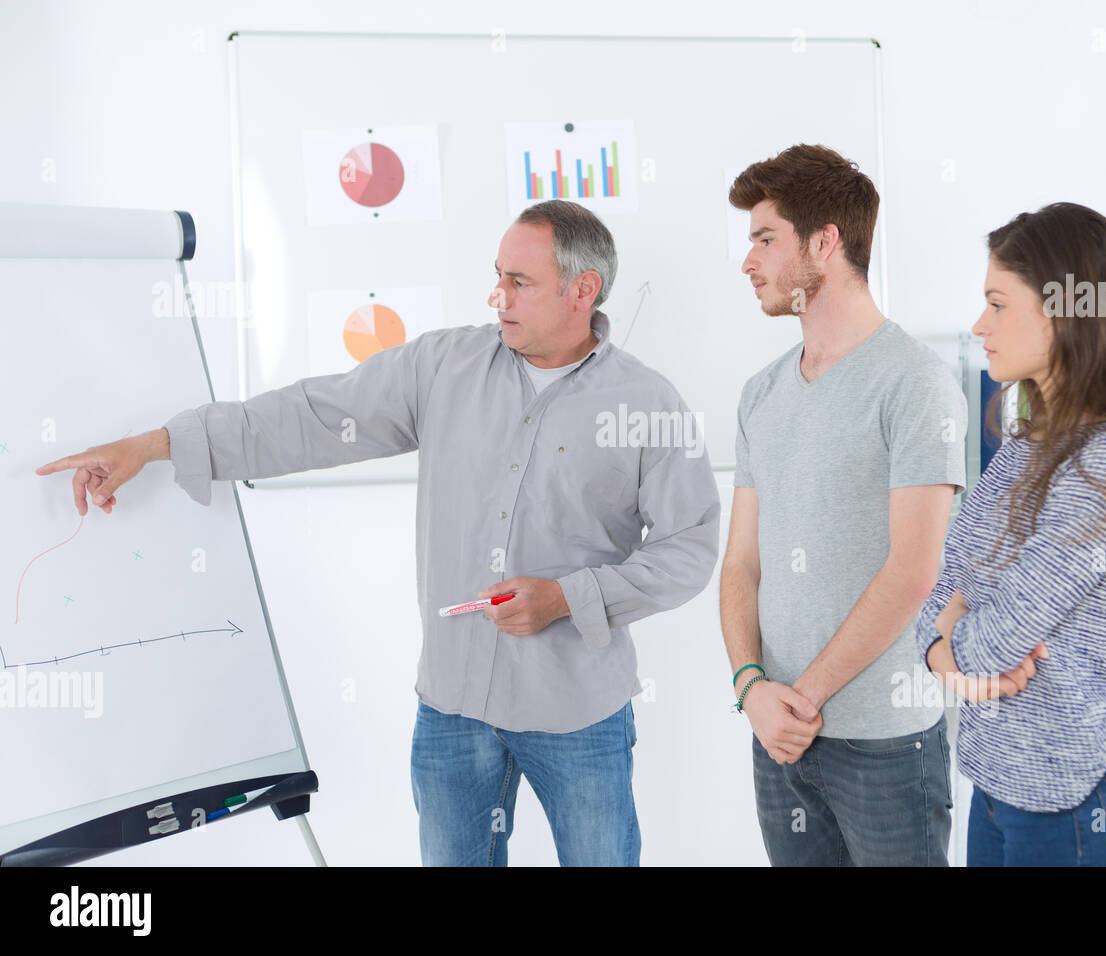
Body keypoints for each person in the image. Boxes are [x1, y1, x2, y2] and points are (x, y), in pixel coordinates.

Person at [35, 199, 721, 867]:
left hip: (579, 713)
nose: (497, 296)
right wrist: (152, 445)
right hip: (453, 708)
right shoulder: (442, 368)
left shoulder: (647, 404)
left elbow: (688, 548)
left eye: (519, 281)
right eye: (498, 275)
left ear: (583, 290)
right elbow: (308, 417)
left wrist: (567, 597)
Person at [916, 201, 1106, 867]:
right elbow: (938, 594)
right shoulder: (1029, 442)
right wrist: (948, 654)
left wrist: (956, 635)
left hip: (1079, 810)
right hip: (995, 790)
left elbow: (997, 635)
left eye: (998, 304)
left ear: (1063, 314)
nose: (979, 325)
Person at [719, 143, 966, 866]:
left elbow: (914, 572)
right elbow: (740, 563)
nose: (749, 261)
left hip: (884, 743)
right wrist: (754, 691)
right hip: (780, 740)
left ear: (824, 243)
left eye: (766, 238)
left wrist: (802, 698)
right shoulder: (761, 394)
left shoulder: (914, 383)